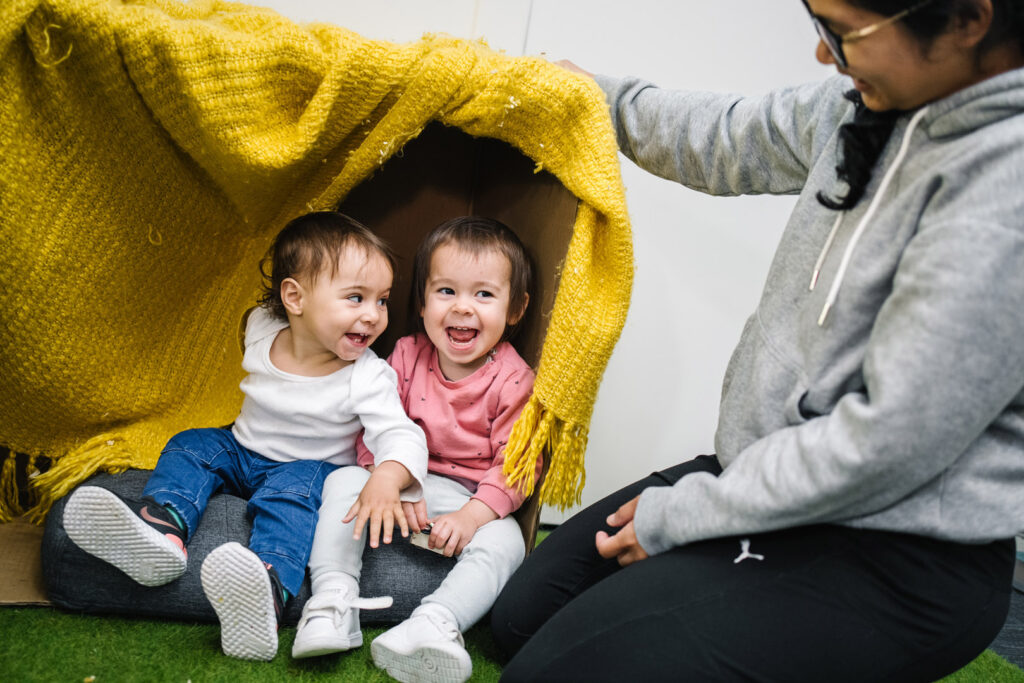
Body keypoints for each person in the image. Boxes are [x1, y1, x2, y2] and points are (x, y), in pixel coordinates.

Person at [491, 1, 1024, 680]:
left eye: (842, 32)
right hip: (772, 477)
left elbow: (881, 448)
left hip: (898, 549)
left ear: (968, 20)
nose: (824, 55)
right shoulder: (869, 100)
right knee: (521, 616)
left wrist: (682, 517)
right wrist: (592, 96)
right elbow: (724, 135)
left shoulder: (1003, 194)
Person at [62, 211, 427, 662]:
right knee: (190, 445)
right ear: (293, 297)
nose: (373, 317)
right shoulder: (261, 327)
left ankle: (266, 589)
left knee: (289, 511)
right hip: (240, 447)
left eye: (383, 301)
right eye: (355, 298)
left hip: (304, 470)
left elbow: (401, 433)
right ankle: (162, 530)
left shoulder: (368, 376)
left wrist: (388, 478)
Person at [292, 216, 541, 683]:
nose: (463, 308)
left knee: (507, 540)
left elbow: (517, 467)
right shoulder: (406, 355)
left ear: (515, 309)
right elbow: (371, 427)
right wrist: (393, 484)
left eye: (484, 294)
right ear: (422, 302)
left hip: (467, 498)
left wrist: (471, 518)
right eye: (446, 291)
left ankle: (434, 622)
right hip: (404, 479)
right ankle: (331, 599)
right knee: (342, 480)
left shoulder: (514, 380)